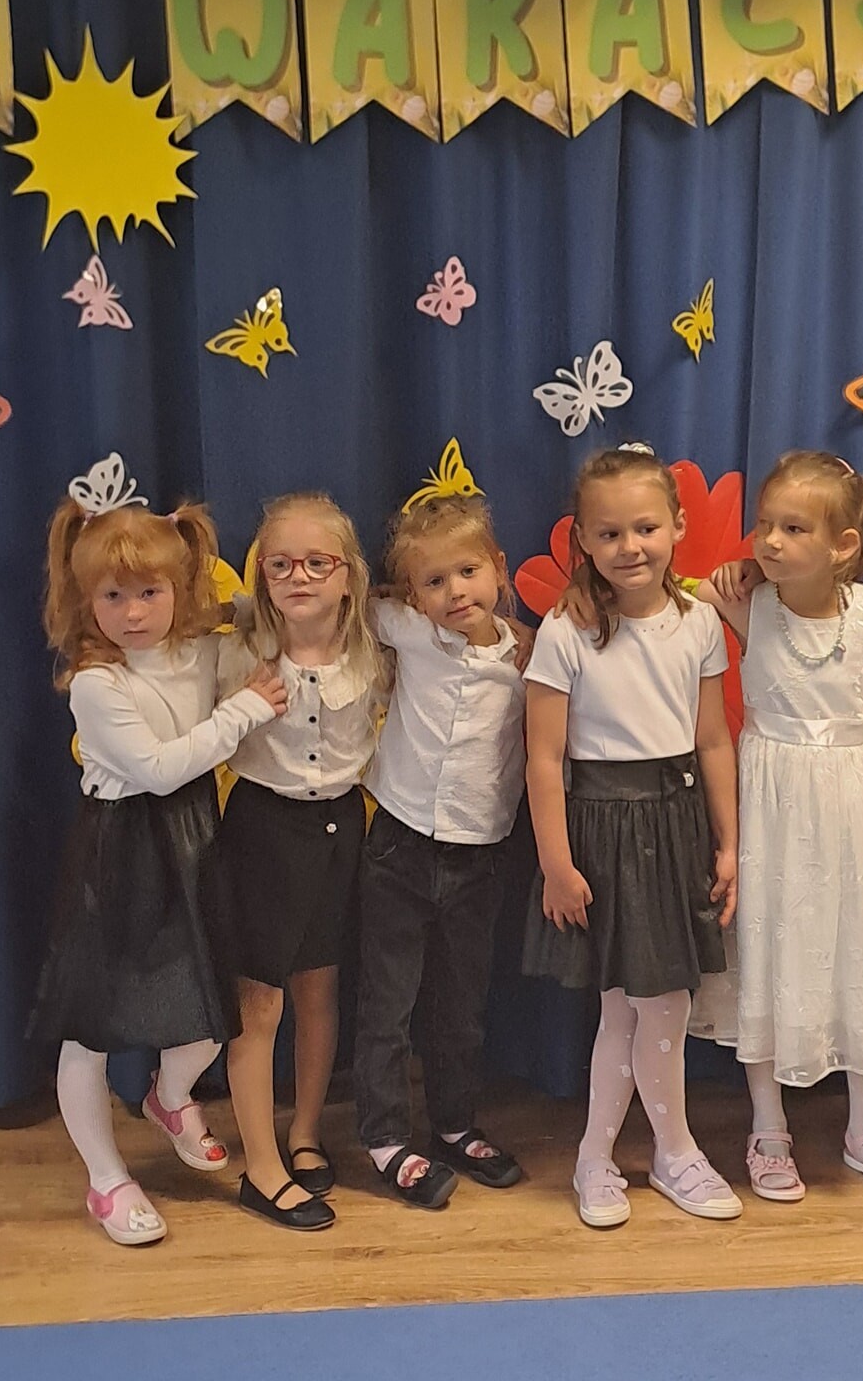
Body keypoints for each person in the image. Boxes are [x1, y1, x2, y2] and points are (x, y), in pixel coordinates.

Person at [29, 489, 285, 1246]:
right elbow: (159, 770)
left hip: (194, 840)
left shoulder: (199, 647)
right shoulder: (95, 683)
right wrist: (244, 710)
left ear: (180, 588)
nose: (133, 612)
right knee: (92, 1028)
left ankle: (170, 1097)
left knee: (211, 1002)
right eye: (112, 596)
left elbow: (264, 622)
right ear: (85, 600)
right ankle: (106, 1177)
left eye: (150, 592)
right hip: (121, 848)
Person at [693, 450, 863, 1204]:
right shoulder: (744, 602)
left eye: (794, 528)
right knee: (768, 949)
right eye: (765, 524)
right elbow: (672, 598)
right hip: (773, 799)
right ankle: (768, 1127)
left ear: (843, 545)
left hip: (860, 802)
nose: (769, 541)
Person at [523, 441, 741, 1229]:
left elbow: (711, 740)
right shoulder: (566, 630)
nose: (630, 547)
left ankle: (607, 1155)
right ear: (582, 538)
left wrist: (728, 844)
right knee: (649, 1005)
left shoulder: (699, 622)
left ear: (677, 526)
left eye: (645, 528)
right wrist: (556, 863)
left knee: (648, 1007)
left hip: (675, 822)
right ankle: (662, 1152)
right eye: (610, 533)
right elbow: (543, 758)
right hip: (602, 828)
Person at [217, 493, 386, 1230]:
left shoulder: (377, 646)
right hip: (261, 830)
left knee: (320, 987)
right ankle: (260, 1168)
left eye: (319, 562)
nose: (300, 577)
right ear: (261, 573)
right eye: (281, 564)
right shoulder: (235, 650)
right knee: (259, 1003)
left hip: (339, 828)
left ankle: (306, 1131)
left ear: (348, 575)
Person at [354, 493, 527, 1208]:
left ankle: (454, 1124)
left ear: (498, 569)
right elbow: (344, 603)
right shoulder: (408, 629)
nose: (455, 592)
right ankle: (385, 1137)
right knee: (387, 1005)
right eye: (434, 581)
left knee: (460, 1005)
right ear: (412, 594)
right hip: (398, 843)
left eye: (467, 572)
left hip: (479, 855)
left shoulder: (530, 655)